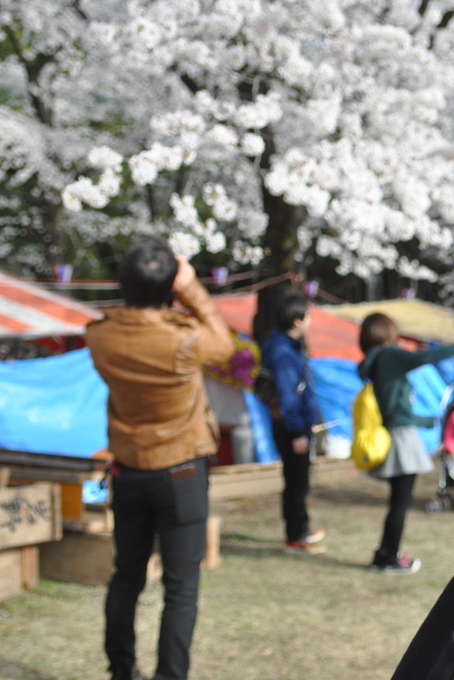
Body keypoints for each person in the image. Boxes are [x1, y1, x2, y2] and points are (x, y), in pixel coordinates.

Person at [87, 237, 234, 680]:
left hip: (128, 470)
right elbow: (224, 346)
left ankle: (121, 670)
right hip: (182, 471)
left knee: (126, 575)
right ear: (169, 283)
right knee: (181, 587)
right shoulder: (183, 343)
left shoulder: (98, 337)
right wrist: (190, 289)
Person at [357, 313, 454, 574]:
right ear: (386, 332)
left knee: (397, 501)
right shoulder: (388, 355)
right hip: (401, 441)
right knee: (400, 503)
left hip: (394, 434)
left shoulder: (374, 362)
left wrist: (422, 421)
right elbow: (424, 358)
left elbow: (394, 406)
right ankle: (389, 558)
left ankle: (384, 553)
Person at [260, 294, 325, 555]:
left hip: (294, 424)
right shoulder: (283, 351)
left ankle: (302, 527)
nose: (311, 321)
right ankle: (295, 536)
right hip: (291, 427)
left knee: (299, 480)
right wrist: (298, 431)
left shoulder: (289, 345)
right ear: (297, 321)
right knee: (296, 482)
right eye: (308, 316)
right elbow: (288, 396)